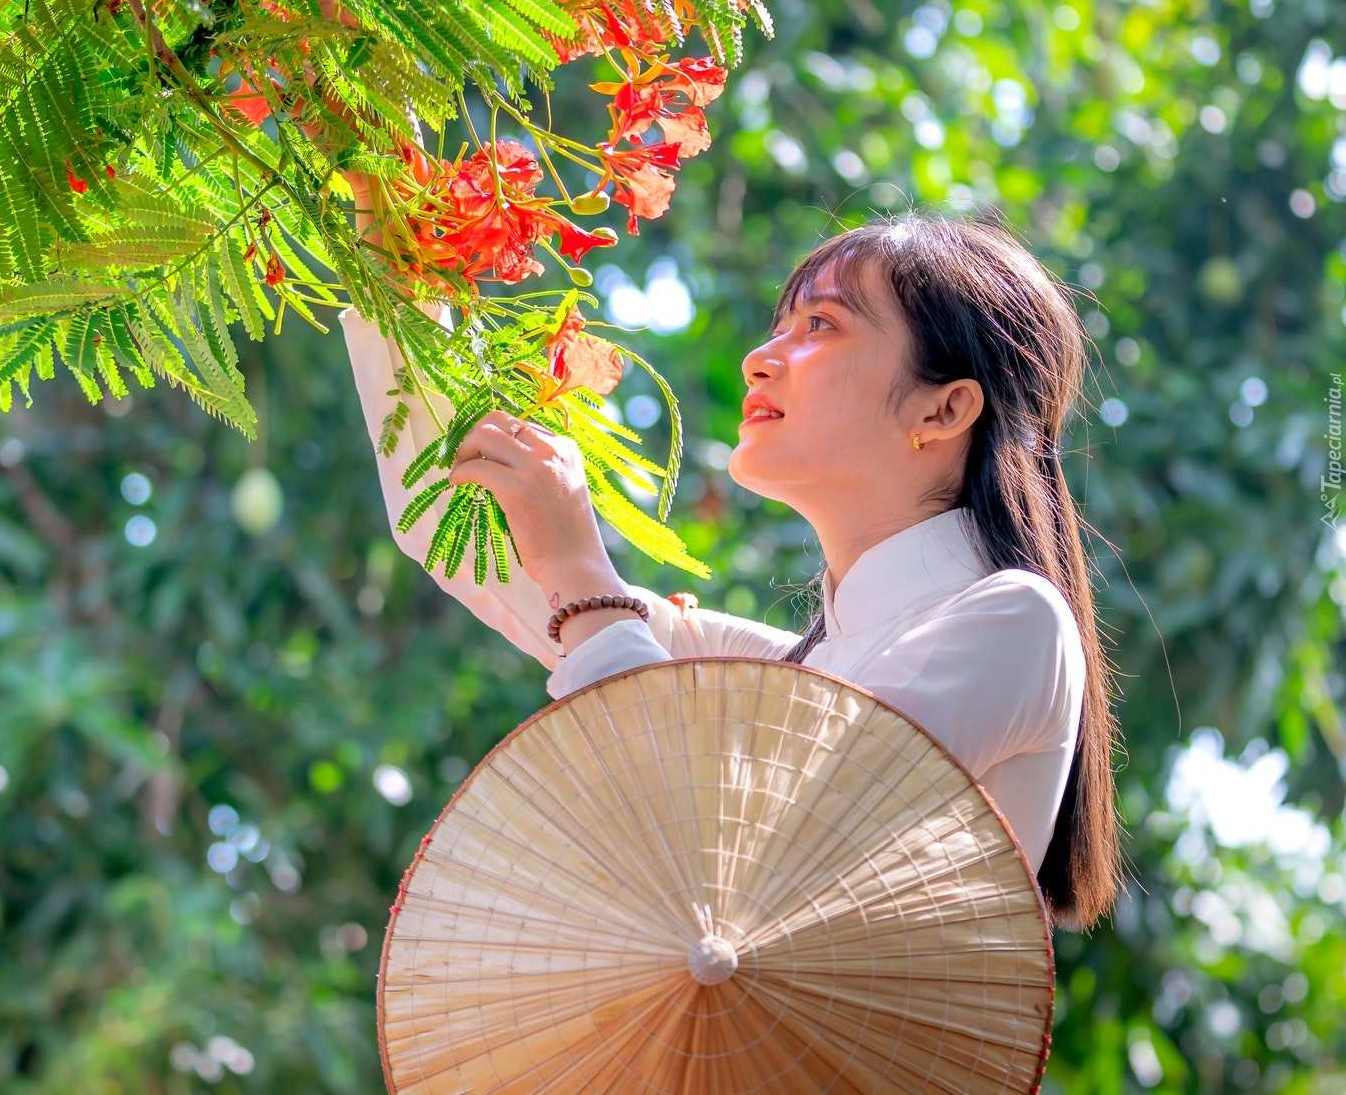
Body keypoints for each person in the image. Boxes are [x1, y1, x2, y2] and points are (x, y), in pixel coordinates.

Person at [339, 208, 1123, 930]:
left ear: (943, 410)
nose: (759, 359)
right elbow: (456, 528)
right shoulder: (788, 670)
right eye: (781, 325)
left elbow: (744, 869)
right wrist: (396, 249)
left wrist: (580, 566)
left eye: (820, 324)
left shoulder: (1017, 622)